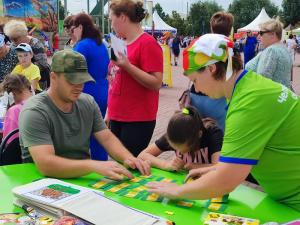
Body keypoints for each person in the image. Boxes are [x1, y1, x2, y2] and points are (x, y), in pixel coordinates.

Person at [146, 33, 300, 211]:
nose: (196, 88)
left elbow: (226, 181)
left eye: (195, 80)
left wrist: (178, 191)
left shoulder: (248, 103)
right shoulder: (248, 86)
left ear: (211, 69)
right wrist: (214, 170)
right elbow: (242, 158)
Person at [19, 50, 150, 179]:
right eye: (72, 81)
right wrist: (94, 165)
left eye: (82, 80)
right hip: (41, 185)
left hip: (81, 180)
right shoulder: (35, 111)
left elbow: (107, 138)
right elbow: (46, 165)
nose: (79, 87)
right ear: (53, 77)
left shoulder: (87, 102)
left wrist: (129, 158)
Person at [107, 0, 163, 157]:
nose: (111, 25)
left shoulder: (147, 43)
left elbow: (156, 82)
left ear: (123, 17)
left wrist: (128, 66)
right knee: (120, 163)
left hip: (137, 118)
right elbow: (113, 80)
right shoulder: (120, 42)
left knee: (129, 164)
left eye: (112, 19)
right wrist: (109, 112)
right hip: (116, 115)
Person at [72, 13, 110, 161]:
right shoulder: (100, 43)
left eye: (73, 29)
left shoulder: (82, 45)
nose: (72, 32)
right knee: (99, 133)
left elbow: (72, 69)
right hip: (103, 90)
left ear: (80, 27)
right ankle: (101, 164)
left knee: (80, 134)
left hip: (86, 92)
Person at [138, 106, 222, 171]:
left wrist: (194, 166)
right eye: (175, 148)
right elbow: (142, 155)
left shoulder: (213, 134)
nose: (180, 152)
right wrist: (165, 164)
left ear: (199, 135)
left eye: (185, 150)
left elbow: (220, 167)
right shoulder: (174, 134)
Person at [189, 11, 233, 131]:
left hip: (195, 95)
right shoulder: (229, 47)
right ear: (230, 29)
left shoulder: (199, 44)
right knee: (220, 132)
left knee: (196, 131)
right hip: (218, 98)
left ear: (211, 27)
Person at [246, 19, 292, 89]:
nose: (258, 36)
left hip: (269, 97)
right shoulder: (284, 49)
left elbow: (261, 81)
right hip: (280, 95)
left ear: (272, 34)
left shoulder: (271, 50)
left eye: (261, 33)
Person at [4, 20, 51, 88]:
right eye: (11, 39)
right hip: (22, 81)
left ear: (23, 35)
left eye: (16, 39)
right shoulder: (13, 45)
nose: (14, 42)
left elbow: (43, 64)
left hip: (38, 80)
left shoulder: (35, 44)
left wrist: (25, 66)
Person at [2, 74, 32, 144]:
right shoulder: (41, 102)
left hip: (23, 153)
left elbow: (9, 143)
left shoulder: (14, 110)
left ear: (12, 94)